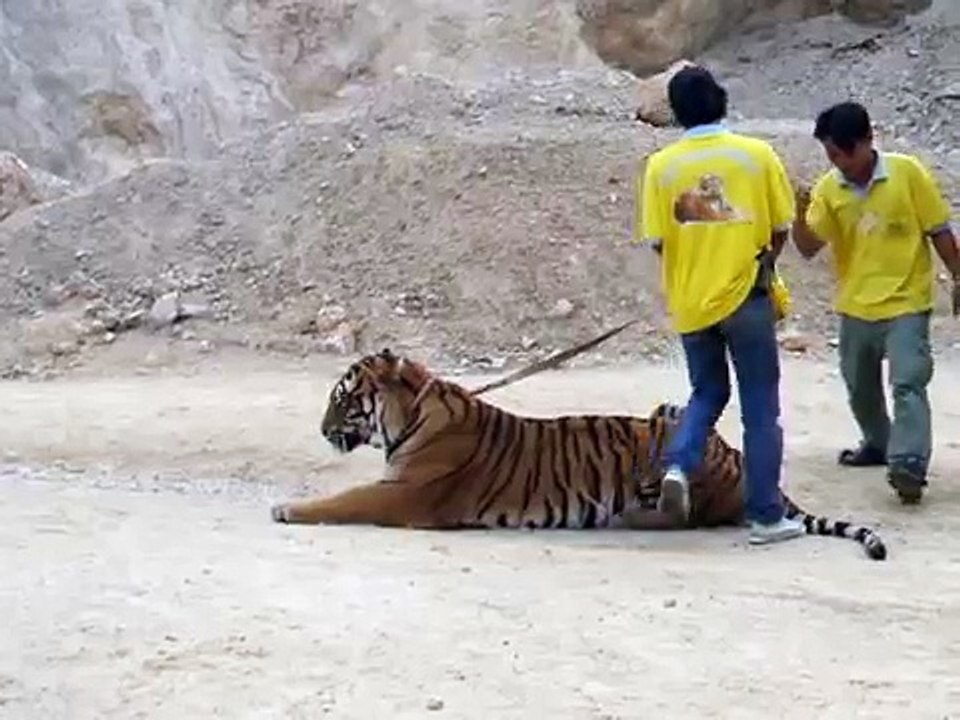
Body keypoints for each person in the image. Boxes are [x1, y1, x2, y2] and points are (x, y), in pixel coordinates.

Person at [635, 65, 804, 545]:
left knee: (706, 393)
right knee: (760, 408)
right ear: (722, 100)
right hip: (746, 297)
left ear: (676, 113)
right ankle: (767, 516)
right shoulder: (756, 157)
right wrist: (760, 262)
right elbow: (781, 227)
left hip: (692, 303)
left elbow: (658, 242)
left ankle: (679, 465)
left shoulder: (661, 167)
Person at [792, 101, 960, 504]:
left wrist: (958, 274)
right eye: (831, 155)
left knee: (908, 382)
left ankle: (908, 465)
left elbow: (939, 229)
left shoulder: (907, 174)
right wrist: (800, 214)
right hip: (855, 305)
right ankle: (879, 443)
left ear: (868, 140)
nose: (838, 162)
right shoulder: (829, 190)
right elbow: (808, 247)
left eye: (843, 153)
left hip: (907, 302)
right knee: (859, 387)